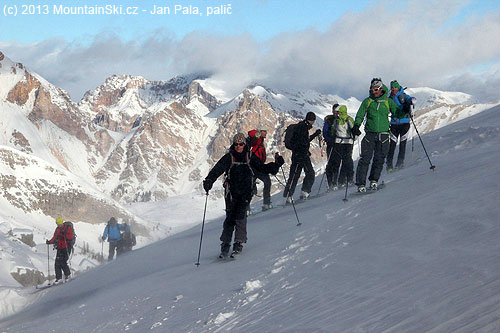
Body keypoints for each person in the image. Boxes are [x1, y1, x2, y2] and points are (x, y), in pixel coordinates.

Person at [203, 133, 284, 258]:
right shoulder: (229, 157)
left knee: (240, 215)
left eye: (241, 144)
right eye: (236, 144)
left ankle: (238, 243)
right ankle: (225, 244)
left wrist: (276, 165)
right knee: (230, 217)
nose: (238, 146)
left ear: (244, 144)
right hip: (232, 192)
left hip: (246, 191)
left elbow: (263, 168)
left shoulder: (250, 157)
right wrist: (209, 181)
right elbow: (217, 169)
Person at [351, 78, 398, 192]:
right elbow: (360, 114)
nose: (374, 92)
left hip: (384, 134)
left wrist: (405, 109)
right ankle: (361, 184)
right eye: (372, 89)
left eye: (376, 89)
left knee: (379, 159)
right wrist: (356, 126)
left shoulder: (388, 101)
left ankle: (374, 180)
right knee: (365, 159)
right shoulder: (368, 101)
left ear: (381, 89)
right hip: (370, 134)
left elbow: (397, 112)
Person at [283, 112, 321, 201]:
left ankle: (289, 195)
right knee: (310, 173)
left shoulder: (300, 126)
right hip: (302, 155)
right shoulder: (303, 128)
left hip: (297, 154)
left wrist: (315, 134)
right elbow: (304, 141)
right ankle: (304, 192)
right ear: (312, 120)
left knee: (294, 175)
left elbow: (303, 141)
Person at [322, 105, 355, 189]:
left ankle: (339, 181)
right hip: (334, 144)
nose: (336, 113)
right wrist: (330, 140)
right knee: (334, 163)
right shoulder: (330, 120)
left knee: (339, 162)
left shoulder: (335, 120)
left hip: (337, 143)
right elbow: (325, 132)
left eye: (337, 111)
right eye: (335, 111)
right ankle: (333, 182)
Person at [386, 80, 414, 171]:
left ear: (398, 87)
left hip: (404, 123)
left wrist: (411, 102)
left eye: (395, 87)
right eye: (392, 87)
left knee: (402, 144)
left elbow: (410, 99)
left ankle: (399, 163)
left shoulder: (403, 95)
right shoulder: (389, 98)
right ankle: (389, 165)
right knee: (392, 145)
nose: (393, 89)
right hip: (394, 124)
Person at [248, 129, 273, 211]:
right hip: (255, 167)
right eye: (263, 131)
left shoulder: (261, 141)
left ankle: (247, 208)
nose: (265, 133)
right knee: (265, 182)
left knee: (251, 186)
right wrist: (257, 133)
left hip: (257, 166)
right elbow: (250, 133)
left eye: (266, 131)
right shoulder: (258, 139)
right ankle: (266, 203)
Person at [46, 217, 73, 283]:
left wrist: (64, 235)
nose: (58, 225)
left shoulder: (67, 228)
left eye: (59, 223)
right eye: (57, 224)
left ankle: (68, 275)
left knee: (63, 262)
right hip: (60, 247)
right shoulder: (57, 229)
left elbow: (70, 237)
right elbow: (54, 237)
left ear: (61, 223)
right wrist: (50, 242)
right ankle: (59, 278)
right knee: (57, 263)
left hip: (66, 247)